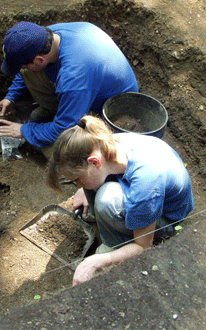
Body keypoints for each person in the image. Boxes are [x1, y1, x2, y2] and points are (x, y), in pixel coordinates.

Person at [47, 115, 193, 286]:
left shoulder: (146, 182)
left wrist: (98, 261)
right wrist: (82, 186)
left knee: (106, 199)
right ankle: (105, 221)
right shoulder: (102, 143)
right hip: (147, 193)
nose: (77, 184)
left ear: (94, 162)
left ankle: (114, 245)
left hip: (166, 217)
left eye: (77, 178)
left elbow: (143, 246)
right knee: (95, 186)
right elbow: (94, 174)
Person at [0, 21, 138, 158]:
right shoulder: (46, 36)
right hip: (86, 87)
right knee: (29, 72)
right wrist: (11, 97)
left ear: (39, 60)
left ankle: (65, 117)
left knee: (59, 151)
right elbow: (25, 69)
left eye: (23, 65)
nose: (21, 69)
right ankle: (60, 111)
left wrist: (23, 131)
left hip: (113, 110)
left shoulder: (74, 76)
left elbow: (64, 129)